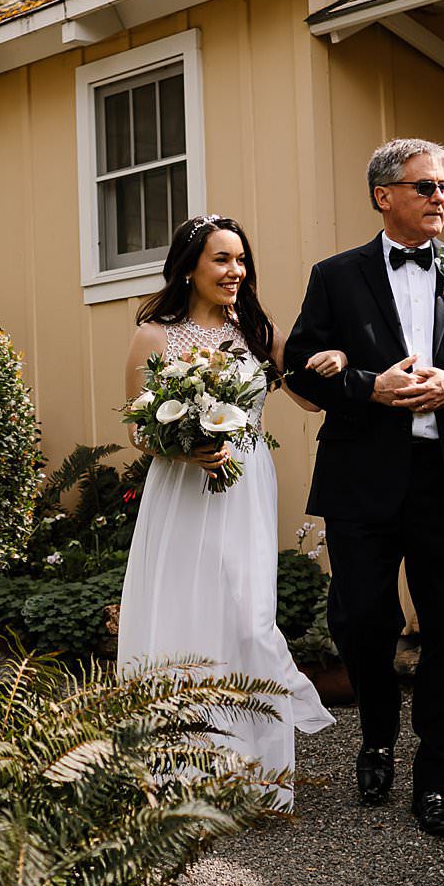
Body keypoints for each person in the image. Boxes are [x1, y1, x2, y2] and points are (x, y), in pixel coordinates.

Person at [281, 139, 444, 838]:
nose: (440, 199)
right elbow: (300, 368)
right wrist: (366, 385)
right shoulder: (335, 276)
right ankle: (378, 735)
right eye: (425, 188)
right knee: (361, 621)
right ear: (383, 196)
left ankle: (440, 778)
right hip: (364, 479)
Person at [116, 215, 340, 808]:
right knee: (184, 613)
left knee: (247, 615)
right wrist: (186, 450)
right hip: (183, 493)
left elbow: (309, 402)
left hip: (245, 492)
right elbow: (138, 429)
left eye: (241, 260)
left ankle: (255, 777)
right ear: (190, 266)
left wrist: (332, 359)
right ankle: (176, 775)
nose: (235, 271)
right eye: (221, 259)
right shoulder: (155, 337)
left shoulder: (259, 333)